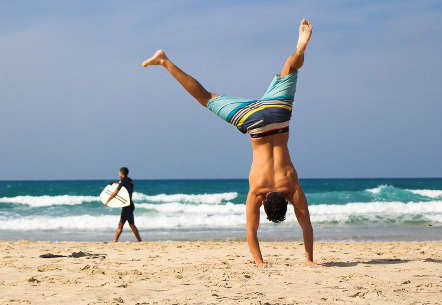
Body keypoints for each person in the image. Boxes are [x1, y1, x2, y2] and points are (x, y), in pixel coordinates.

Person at [142, 19, 315, 266]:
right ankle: (164, 61)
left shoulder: (291, 187)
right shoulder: (258, 191)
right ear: (265, 202)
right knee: (206, 97)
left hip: (277, 115)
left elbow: (306, 222)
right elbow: (252, 230)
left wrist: (309, 259)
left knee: (290, 67)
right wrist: (260, 263)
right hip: (254, 123)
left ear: (284, 201)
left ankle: (299, 50)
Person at [104, 167, 142, 242]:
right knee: (121, 224)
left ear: (121, 173)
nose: (118, 174)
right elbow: (125, 187)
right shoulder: (130, 181)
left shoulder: (123, 181)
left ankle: (139, 241)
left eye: (119, 172)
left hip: (127, 206)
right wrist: (116, 183)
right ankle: (115, 241)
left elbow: (116, 192)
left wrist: (108, 201)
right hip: (129, 204)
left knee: (131, 224)